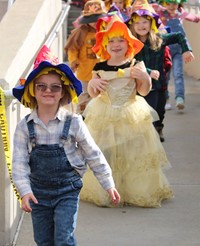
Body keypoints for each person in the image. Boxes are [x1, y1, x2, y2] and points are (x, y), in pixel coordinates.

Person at [12, 45, 120, 246]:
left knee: (63, 238)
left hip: (67, 190)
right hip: (38, 193)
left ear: (63, 92)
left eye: (55, 87)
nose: (48, 91)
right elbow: (19, 163)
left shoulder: (74, 122)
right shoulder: (24, 127)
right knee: (43, 240)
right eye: (41, 86)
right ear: (32, 90)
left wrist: (108, 182)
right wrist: (25, 191)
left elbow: (92, 153)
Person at [80, 14, 174, 208]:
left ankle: (133, 190)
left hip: (130, 112)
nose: (116, 45)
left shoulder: (135, 64)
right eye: (111, 41)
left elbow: (143, 90)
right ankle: (109, 189)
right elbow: (92, 93)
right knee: (106, 152)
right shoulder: (99, 67)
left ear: (128, 44)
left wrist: (145, 77)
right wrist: (93, 84)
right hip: (104, 113)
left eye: (120, 40)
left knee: (133, 152)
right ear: (105, 46)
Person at [127, 0, 194, 141]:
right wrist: (148, 71)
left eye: (144, 22)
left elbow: (179, 36)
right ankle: (147, 138)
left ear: (151, 23)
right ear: (131, 25)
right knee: (145, 113)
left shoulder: (159, 38)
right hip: (139, 85)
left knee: (159, 112)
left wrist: (186, 50)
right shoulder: (130, 43)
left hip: (159, 84)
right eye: (137, 22)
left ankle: (159, 127)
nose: (141, 26)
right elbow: (130, 62)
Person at [152, 0, 200, 110]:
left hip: (179, 50)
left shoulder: (181, 14)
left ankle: (179, 98)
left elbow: (195, 18)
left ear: (179, 3)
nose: (171, 6)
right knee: (165, 76)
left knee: (178, 74)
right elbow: (149, 7)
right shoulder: (161, 13)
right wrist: (158, 7)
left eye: (174, 3)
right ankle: (165, 99)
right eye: (168, 3)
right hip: (165, 51)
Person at [64, 0, 107, 114]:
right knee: (83, 99)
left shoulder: (106, 31)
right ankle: (81, 118)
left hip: (102, 74)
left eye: (97, 19)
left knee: (100, 99)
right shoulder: (80, 32)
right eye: (91, 19)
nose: (94, 22)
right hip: (84, 73)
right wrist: (73, 61)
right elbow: (72, 49)